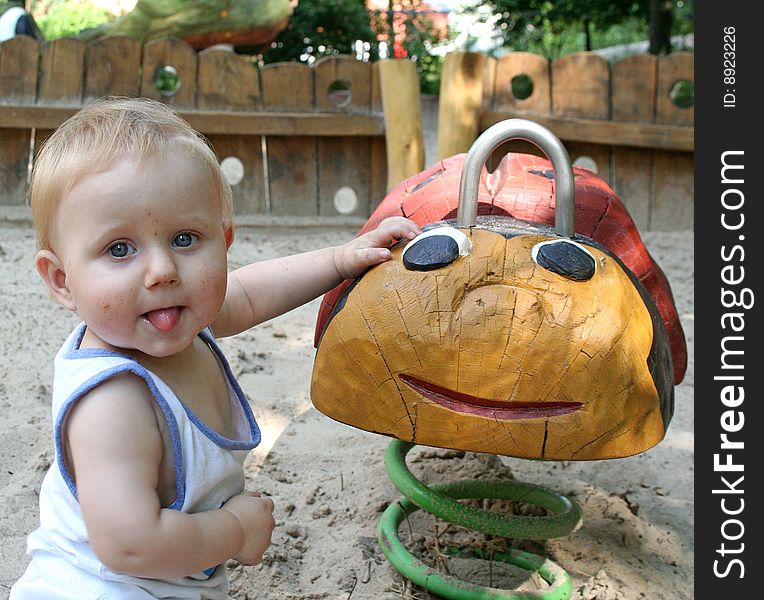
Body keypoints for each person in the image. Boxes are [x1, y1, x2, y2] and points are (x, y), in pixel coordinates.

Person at [10, 96, 421, 599]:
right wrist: (236, 531)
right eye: (120, 249)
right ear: (62, 280)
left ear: (224, 241)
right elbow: (130, 546)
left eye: (185, 239)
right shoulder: (112, 401)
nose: (162, 271)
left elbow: (248, 294)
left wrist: (340, 259)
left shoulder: (178, 322)